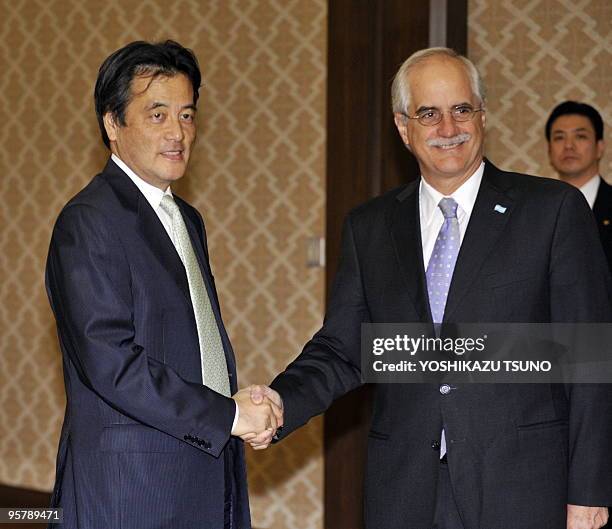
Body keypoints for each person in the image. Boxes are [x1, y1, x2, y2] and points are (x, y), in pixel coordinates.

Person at [248, 48, 612, 529]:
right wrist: (280, 402)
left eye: (462, 109)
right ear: (403, 127)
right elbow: (345, 347)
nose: (448, 128)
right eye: (429, 113)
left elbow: (590, 362)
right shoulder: (370, 227)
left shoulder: (553, 211)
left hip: (522, 488)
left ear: (482, 116)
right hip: (404, 490)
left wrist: (588, 492)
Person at [45, 40, 280, 529]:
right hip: (131, 490)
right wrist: (227, 416)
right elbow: (111, 363)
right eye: (157, 115)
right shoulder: (89, 221)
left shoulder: (185, 219)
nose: (177, 133)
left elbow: (186, 346)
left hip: (202, 472)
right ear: (113, 124)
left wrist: (235, 407)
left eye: (188, 115)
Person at [546, 100, 611, 272]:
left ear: (599, 147)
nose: (568, 146)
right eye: (559, 137)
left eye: (580, 136)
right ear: (549, 151)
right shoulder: (533, 209)